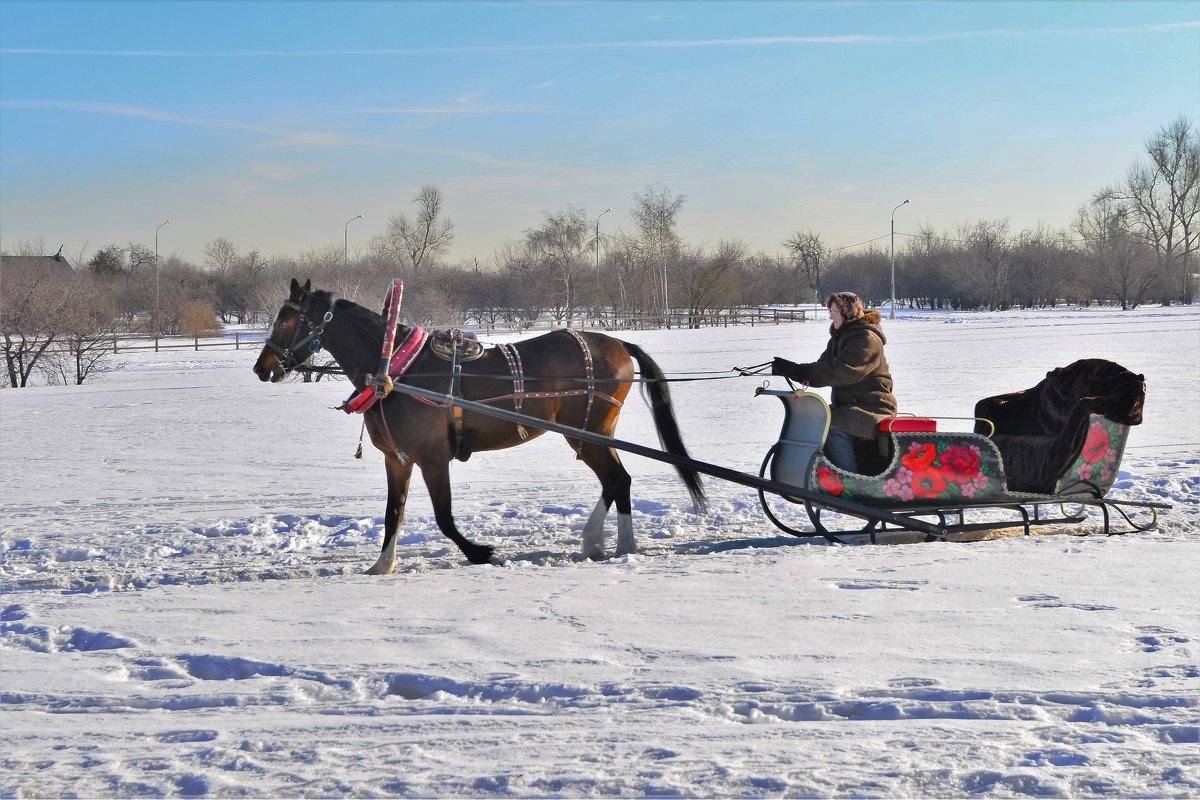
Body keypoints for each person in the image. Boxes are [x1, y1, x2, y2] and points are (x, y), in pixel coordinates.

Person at [771, 291, 897, 473]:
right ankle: (814, 472)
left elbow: (839, 372)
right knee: (817, 418)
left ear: (848, 311)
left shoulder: (867, 339)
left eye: (834, 312)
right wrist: (793, 371)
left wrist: (798, 371)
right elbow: (823, 366)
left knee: (833, 423)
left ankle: (848, 479)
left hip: (874, 408)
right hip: (850, 407)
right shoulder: (841, 338)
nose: (830, 317)